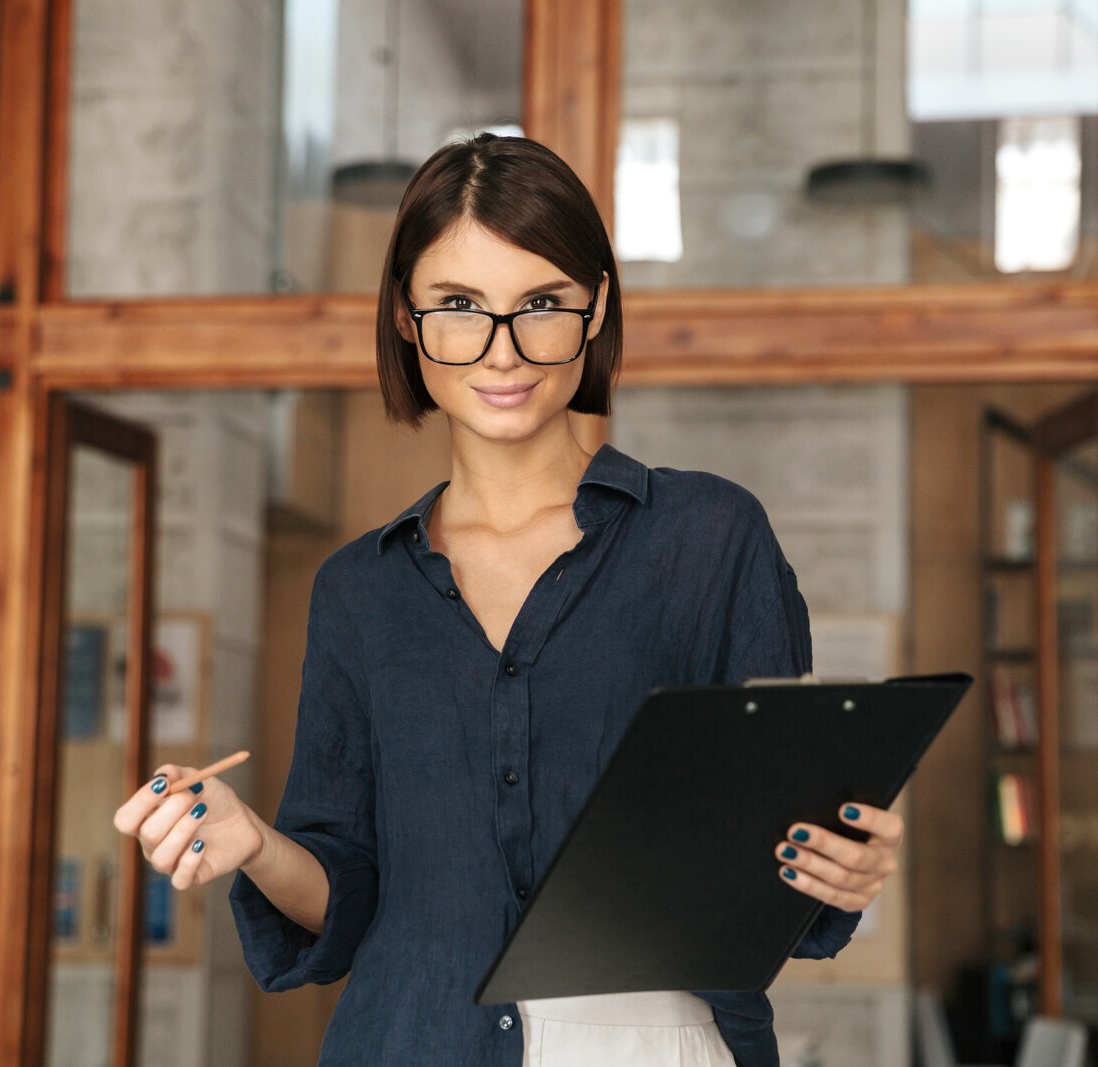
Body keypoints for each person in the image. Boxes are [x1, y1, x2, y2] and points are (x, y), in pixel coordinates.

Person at [114, 133, 904, 1067]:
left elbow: (773, 854)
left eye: (541, 304)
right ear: (408, 319)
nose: (503, 352)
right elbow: (348, 892)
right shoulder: (358, 591)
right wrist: (251, 840)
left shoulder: (709, 538)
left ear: (597, 304)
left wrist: (838, 874)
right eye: (458, 305)